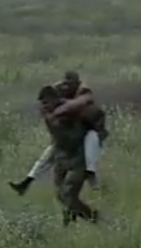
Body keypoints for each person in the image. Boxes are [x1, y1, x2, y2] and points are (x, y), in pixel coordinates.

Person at [9, 71, 107, 196]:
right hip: (69, 133)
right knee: (46, 157)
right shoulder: (57, 90)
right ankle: (27, 181)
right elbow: (46, 101)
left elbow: (79, 103)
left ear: (77, 82)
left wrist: (58, 109)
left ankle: (91, 174)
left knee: (90, 148)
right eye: (65, 83)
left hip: (91, 127)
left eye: (70, 83)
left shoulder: (83, 90)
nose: (67, 87)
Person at [36, 84, 98, 225]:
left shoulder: (70, 109)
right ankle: (77, 220)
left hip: (79, 157)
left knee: (69, 193)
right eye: (42, 103)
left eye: (46, 102)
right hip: (61, 156)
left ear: (54, 99)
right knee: (61, 194)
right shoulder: (48, 113)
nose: (44, 106)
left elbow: (84, 101)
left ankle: (91, 218)